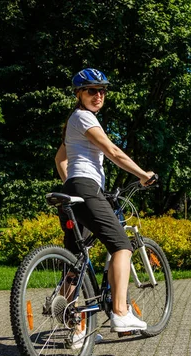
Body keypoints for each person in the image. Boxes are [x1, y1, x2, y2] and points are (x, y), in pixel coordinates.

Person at [54, 68, 155, 334]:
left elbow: (60, 160)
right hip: (86, 189)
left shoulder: (73, 122)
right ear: (79, 94)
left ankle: (75, 330)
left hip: (74, 191)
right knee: (122, 245)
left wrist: (70, 185)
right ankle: (121, 313)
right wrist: (143, 175)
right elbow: (112, 150)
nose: (98, 95)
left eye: (102, 90)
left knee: (77, 259)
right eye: (91, 90)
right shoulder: (84, 117)